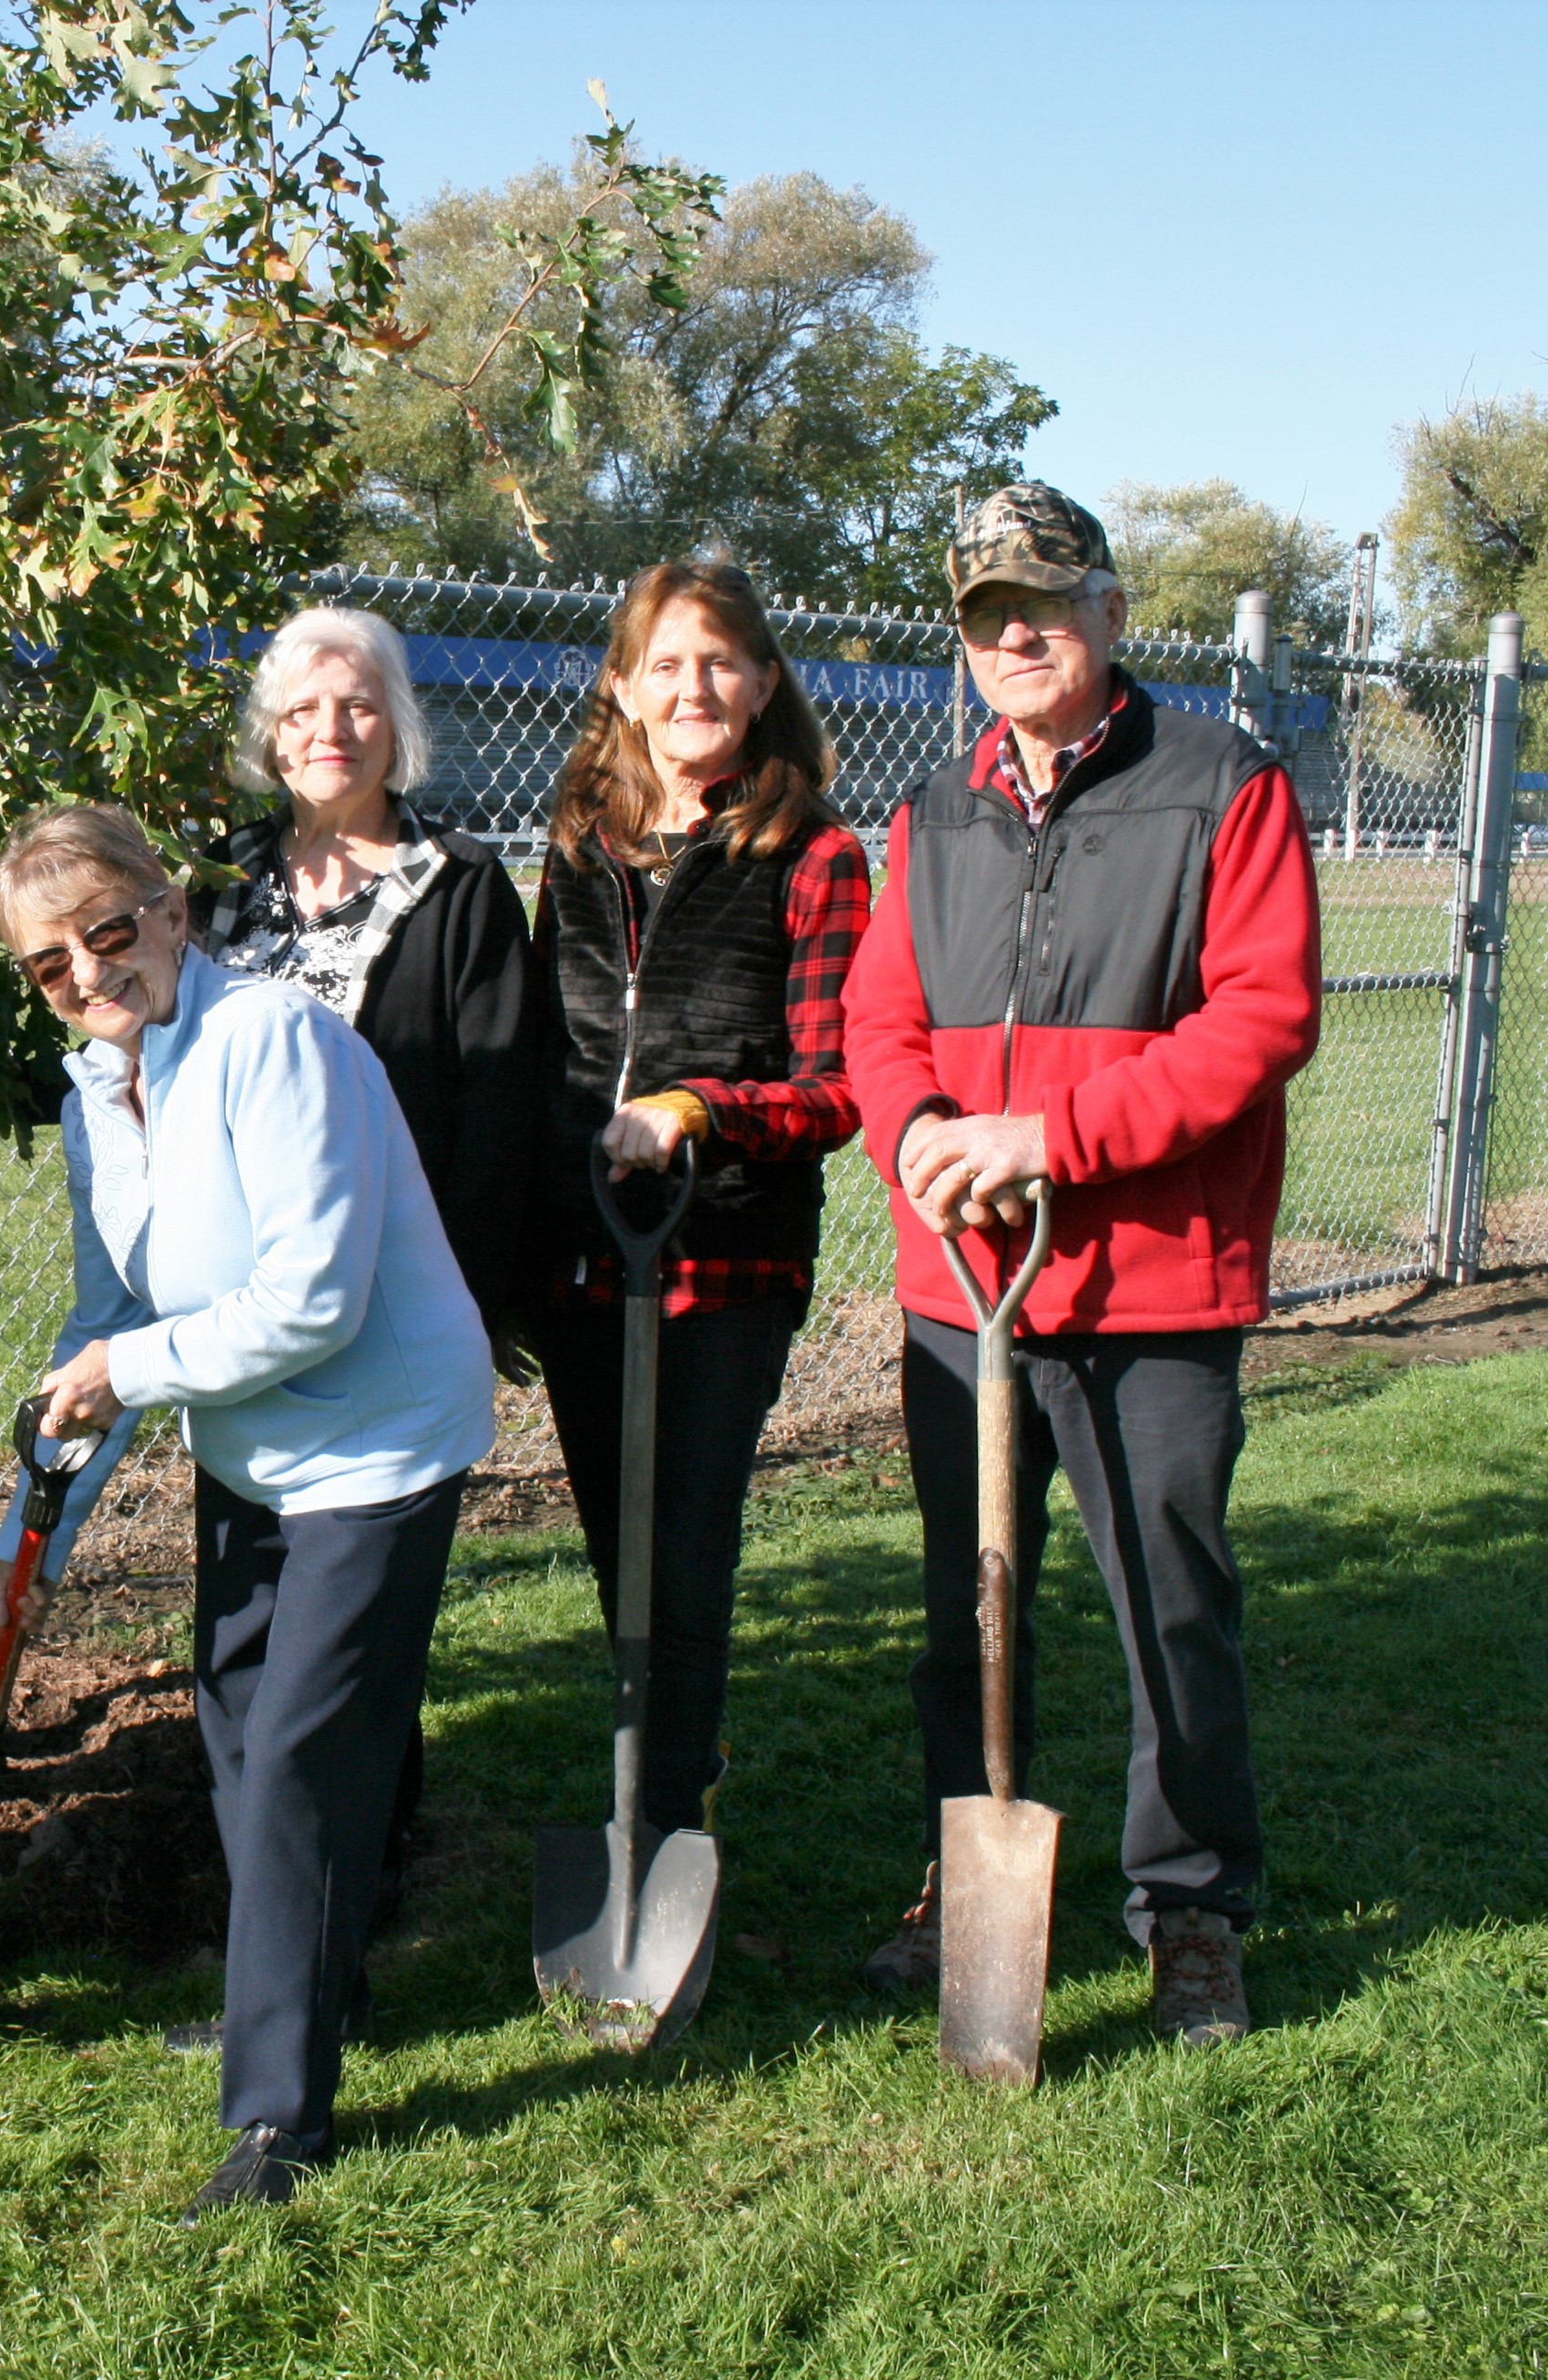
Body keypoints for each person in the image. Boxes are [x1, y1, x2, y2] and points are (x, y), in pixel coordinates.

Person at [842, 480, 1320, 2045]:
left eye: (1045, 603)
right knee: (968, 1604)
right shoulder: (932, 816)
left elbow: (1259, 1022)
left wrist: (1048, 1142)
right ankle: (962, 1861)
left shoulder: (1219, 787)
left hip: (1151, 1284)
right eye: (987, 616)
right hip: (964, 1292)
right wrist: (919, 1132)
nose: (1018, 635)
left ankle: (1189, 1906)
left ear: (1111, 612)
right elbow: (879, 1021)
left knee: (1167, 1601)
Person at [6, 604, 535, 1937]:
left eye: (354, 703)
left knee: (332, 1702)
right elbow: (137, 1237)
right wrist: (62, 1474)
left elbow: (490, 1108)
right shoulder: (223, 897)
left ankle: (343, 1927)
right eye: (298, 709)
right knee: (263, 1696)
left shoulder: (453, 885)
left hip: (375, 1309)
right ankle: (310, 1950)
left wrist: (450, 1303)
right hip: (245, 1341)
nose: (328, 730)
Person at [0, 804, 492, 2219]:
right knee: (232, 1714)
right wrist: (87, 1401)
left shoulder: (272, 1041)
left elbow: (316, 1301)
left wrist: (130, 1371)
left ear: (167, 909)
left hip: (378, 1444)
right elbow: (137, 1290)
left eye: (107, 931)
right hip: (257, 1447)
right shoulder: (109, 1076)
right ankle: (299, 1990)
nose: (89, 975)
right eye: (50, 965)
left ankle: (279, 2112)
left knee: (303, 1760)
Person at [528, 556, 872, 1845]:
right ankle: (659, 1765)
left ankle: (671, 1810)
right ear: (622, 686)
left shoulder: (815, 854)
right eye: (664, 663)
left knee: (682, 1551)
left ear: (765, 683)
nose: (693, 687)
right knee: (620, 1549)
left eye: (721, 660)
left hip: (721, 1258)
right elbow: (534, 1050)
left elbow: (835, 1090)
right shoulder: (576, 847)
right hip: (579, 1260)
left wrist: (699, 1114)